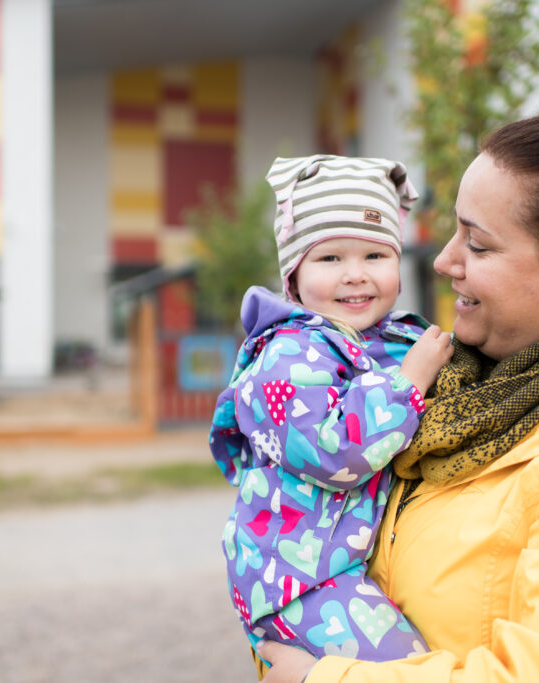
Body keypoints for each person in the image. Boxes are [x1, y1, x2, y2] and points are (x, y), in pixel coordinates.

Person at [257, 112, 539, 682]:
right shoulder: (454, 388)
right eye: (455, 232)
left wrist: (320, 678)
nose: (442, 261)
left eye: (477, 245)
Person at [210, 155, 455, 665]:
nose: (355, 276)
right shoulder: (288, 355)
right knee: (405, 669)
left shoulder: (392, 338)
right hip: (296, 577)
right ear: (294, 279)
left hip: (346, 559)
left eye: (374, 255)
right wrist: (410, 382)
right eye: (330, 259)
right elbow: (333, 452)